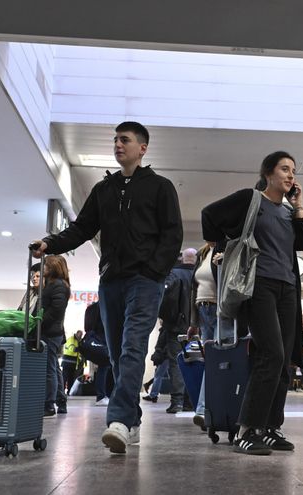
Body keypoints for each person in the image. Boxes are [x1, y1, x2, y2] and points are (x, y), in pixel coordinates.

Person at [32, 121, 183, 454]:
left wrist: (154, 271)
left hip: (145, 281)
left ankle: (118, 421)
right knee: (116, 354)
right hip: (111, 280)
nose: (118, 144)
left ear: (142, 148)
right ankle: (134, 417)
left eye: (125, 140)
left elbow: (173, 235)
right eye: (115, 139)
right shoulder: (104, 190)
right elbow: (83, 228)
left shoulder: (160, 187)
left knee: (132, 348)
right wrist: (50, 243)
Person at [202, 150, 303, 455]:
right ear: (268, 173)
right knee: (271, 355)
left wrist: (299, 207)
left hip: (288, 288)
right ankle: (246, 429)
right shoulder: (251, 200)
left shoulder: (288, 212)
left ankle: (269, 428)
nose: (291, 175)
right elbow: (209, 215)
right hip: (259, 286)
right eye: (284, 169)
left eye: (293, 170)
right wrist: (224, 245)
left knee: (284, 363)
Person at [160, 248, 197, 414]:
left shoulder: (173, 273)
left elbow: (165, 298)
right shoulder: (200, 274)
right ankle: (191, 401)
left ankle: (177, 402)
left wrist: (167, 319)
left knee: (176, 363)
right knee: (196, 362)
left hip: (176, 326)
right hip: (198, 326)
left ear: (182, 258)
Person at [188, 243, 218, 428]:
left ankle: (204, 409)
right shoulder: (203, 253)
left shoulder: (227, 248)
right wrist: (193, 323)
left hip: (220, 310)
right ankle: (205, 409)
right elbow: (194, 288)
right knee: (211, 362)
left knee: (217, 362)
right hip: (204, 309)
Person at [40, 255, 71, 416]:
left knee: (49, 368)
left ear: (53, 267)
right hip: (52, 331)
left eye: (45, 266)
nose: (42, 269)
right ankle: (57, 401)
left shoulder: (57, 285)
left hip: (50, 332)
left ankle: (49, 404)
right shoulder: (56, 285)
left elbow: (55, 311)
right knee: (53, 368)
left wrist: (39, 322)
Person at [61, 331, 84, 396]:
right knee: (64, 377)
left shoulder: (77, 340)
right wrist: (80, 349)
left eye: (81, 335)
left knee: (70, 378)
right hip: (67, 362)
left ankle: (69, 391)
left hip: (72, 363)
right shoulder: (71, 339)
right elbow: (72, 349)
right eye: (80, 335)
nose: (80, 336)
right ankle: (62, 392)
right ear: (76, 334)